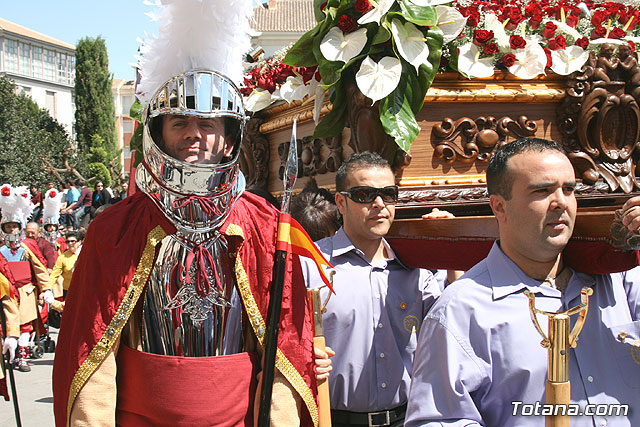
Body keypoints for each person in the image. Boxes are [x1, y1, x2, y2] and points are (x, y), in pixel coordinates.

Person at [53, 2, 320, 425]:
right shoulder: (115, 229)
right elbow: (92, 352)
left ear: (229, 139)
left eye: (208, 123)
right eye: (179, 121)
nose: (193, 133)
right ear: (158, 131)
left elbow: (285, 348)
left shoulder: (264, 226)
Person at [405, 138, 640, 427]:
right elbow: (440, 420)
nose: (561, 202)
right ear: (500, 207)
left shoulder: (621, 280)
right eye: (542, 190)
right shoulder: (461, 310)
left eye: (569, 189)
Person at [301, 152, 447, 427]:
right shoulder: (312, 266)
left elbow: (448, 332)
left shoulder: (416, 268)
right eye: (365, 194)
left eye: (388, 194)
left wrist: (448, 245)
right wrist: (305, 358)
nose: (379, 204)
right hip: (335, 420)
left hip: (406, 419)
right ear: (341, 202)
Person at [0, 185, 53, 373]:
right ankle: (8, 356)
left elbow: (39, 268)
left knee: (26, 325)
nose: (11, 229)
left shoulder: (27, 246)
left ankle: (22, 357)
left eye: (14, 226)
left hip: (26, 291)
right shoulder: (0, 249)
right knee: (6, 326)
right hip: (6, 293)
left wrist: (46, 289)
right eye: (8, 226)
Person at [49, 231, 80, 299]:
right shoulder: (63, 256)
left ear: (79, 242)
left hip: (83, 289)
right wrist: (48, 288)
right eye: (68, 242)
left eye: (73, 241)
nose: (70, 243)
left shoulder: (85, 254)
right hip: (68, 290)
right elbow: (55, 273)